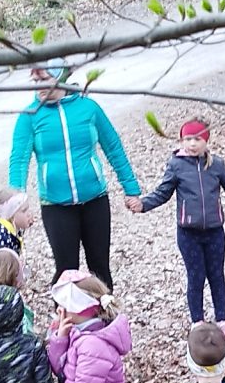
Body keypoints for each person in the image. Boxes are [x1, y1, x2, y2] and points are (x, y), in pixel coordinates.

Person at [8, 61, 143, 290]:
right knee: (66, 270)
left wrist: (131, 189)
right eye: (35, 80)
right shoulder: (30, 116)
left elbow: (113, 147)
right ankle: (65, 313)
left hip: (95, 200)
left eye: (44, 79)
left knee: (100, 267)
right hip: (56, 205)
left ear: (61, 77)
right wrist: (15, 204)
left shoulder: (88, 108)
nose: (39, 86)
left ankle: (105, 311)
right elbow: (19, 160)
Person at [136, 117, 225, 330]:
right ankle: (198, 322)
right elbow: (163, 193)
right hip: (188, 233)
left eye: (197, 139)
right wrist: (143, 205)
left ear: (206, 141)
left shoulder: (216, 164)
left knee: (216, 275)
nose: (192, 144)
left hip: (214, 231)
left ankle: (222, 320)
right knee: (196, 276)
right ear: (181, 141)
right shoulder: (176, 165)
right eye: (188, 139)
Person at [0, 189, 36, 283]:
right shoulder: (0, 237)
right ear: (10, 215)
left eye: (28, 209)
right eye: (24, 211)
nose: (29, 214)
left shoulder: (9, 226)